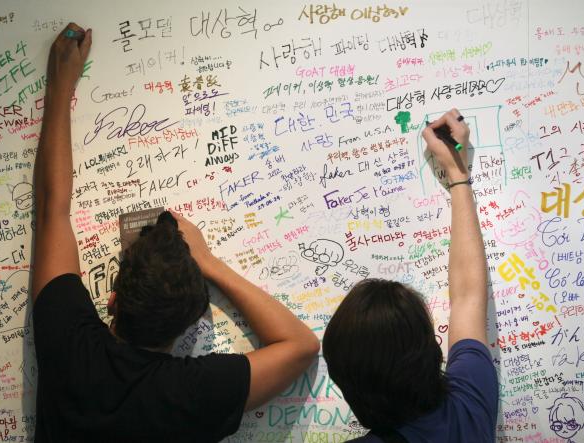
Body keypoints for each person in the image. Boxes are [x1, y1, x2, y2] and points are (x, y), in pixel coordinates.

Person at [32, 23, 319, 442]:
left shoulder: (70, 346)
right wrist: (209, 263)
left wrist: (60, 86)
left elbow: (51, 209)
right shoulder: (194, 393)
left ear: (112, 300)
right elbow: (302, 346)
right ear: (187, 325)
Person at [322, 109, 498, 442]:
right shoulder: (468, 410)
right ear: (433, 353)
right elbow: (468, 296)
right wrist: (457, 173)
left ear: (344, 385)